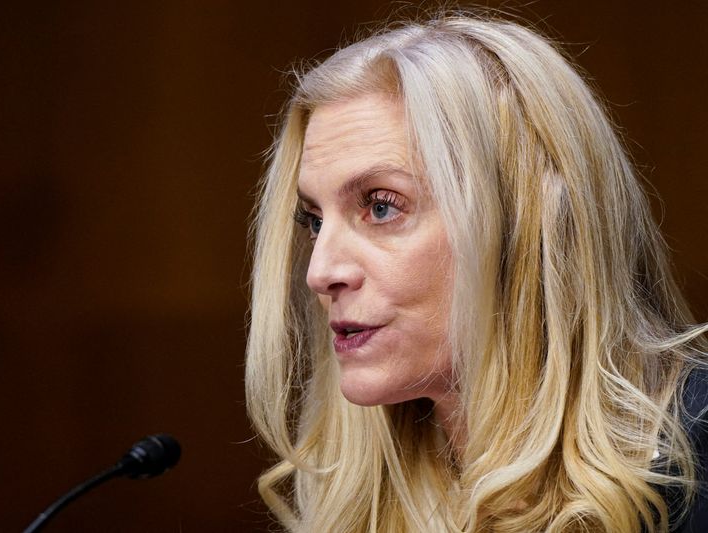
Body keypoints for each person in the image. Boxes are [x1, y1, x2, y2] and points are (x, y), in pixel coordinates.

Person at [245, 11, 708, 532]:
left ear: (524, 223)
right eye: (313, 220)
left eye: (380, 206)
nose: (320, 271)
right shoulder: (368, 500)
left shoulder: (695, 461)